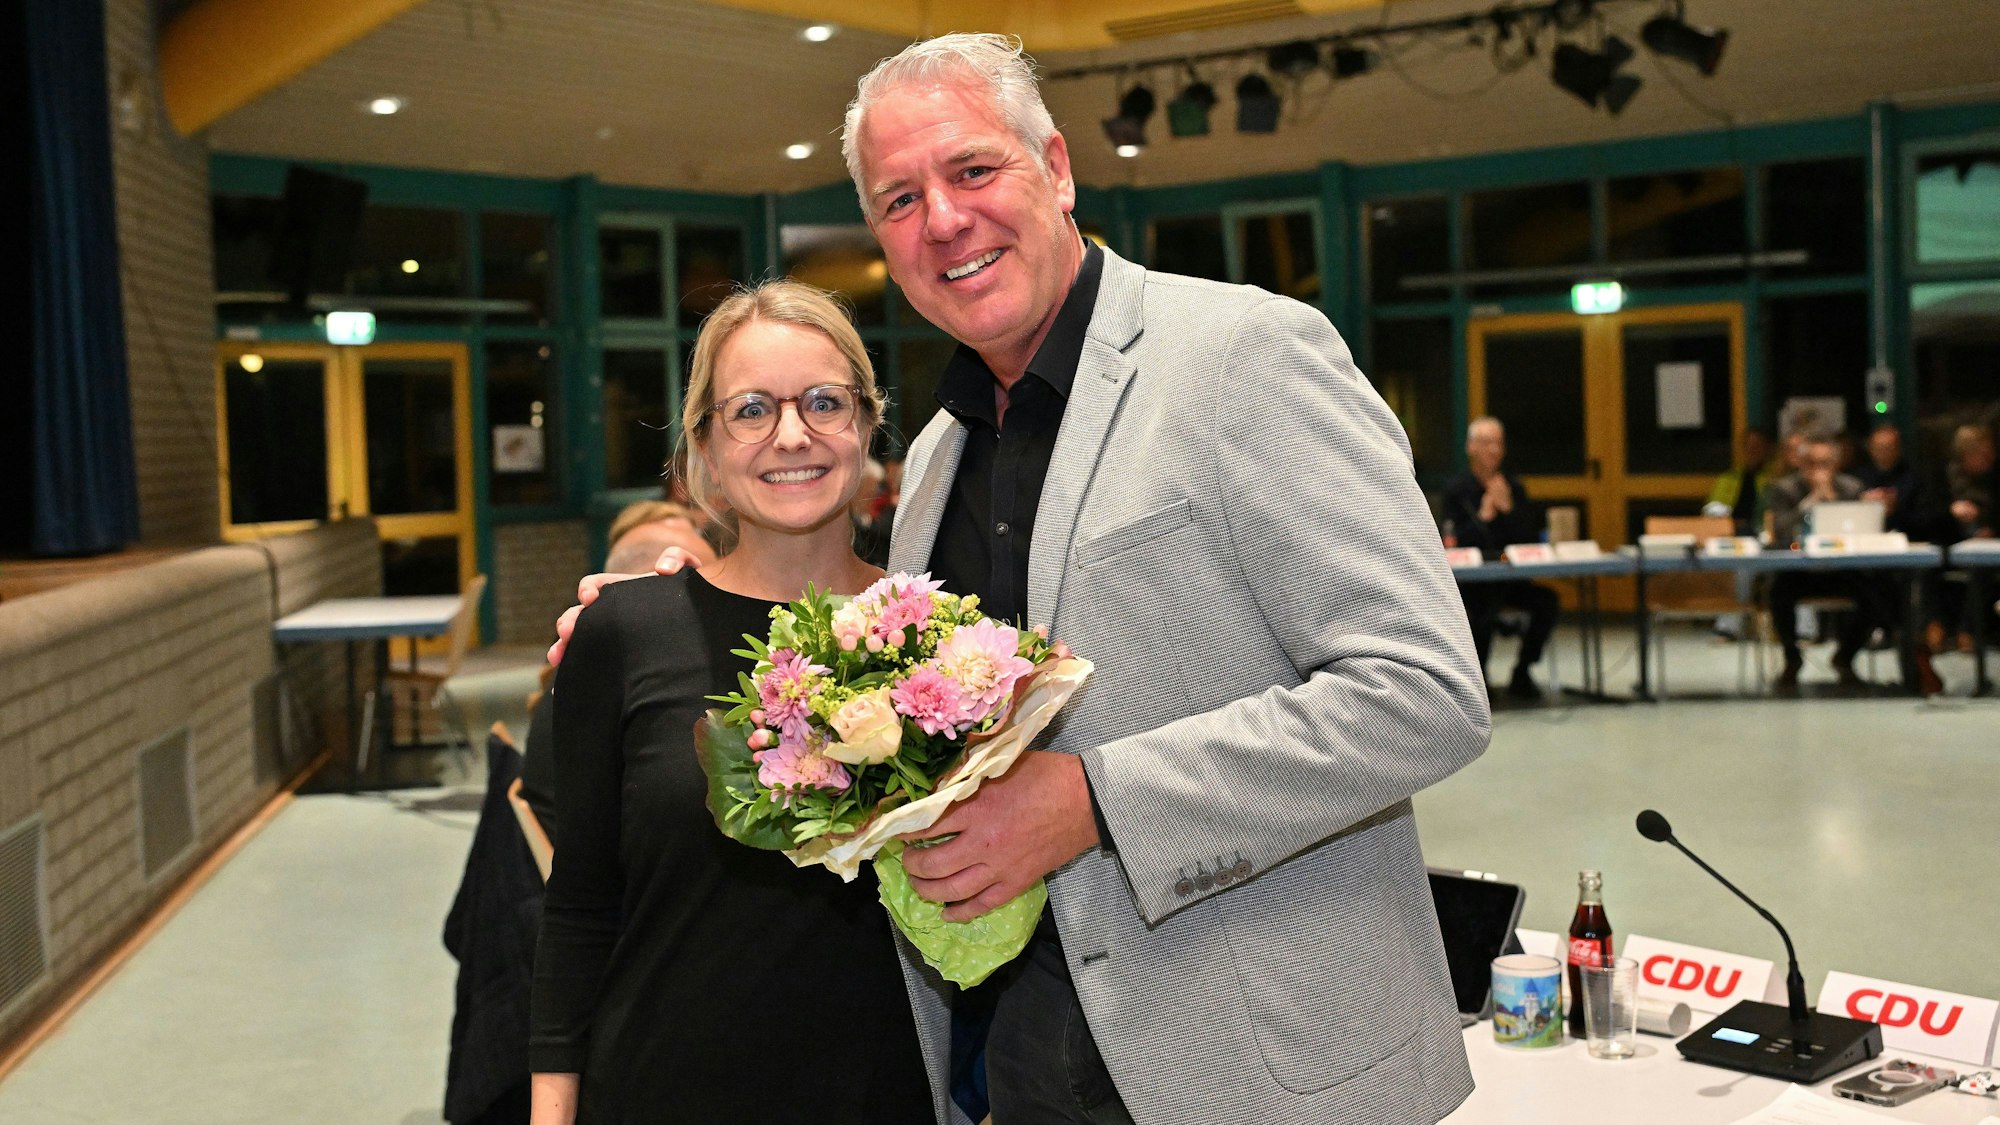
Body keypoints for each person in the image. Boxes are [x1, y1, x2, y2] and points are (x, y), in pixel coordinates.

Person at [555, 33, 1487, 1125]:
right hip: (1031, 1064)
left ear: (1055, 166)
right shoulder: (945, 454)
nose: (941, 220)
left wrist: (1094, 800)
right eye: (898, 199)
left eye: (972, 170)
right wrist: (667, 614)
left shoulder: (1244, 353)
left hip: (1264, 1072)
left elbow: (1423, 694)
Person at [527, 280, 931, 1125]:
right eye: (750, 409)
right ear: (704, 447)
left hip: (883, 1095)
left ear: (867, 423)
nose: (793, 434)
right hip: (660, 1088)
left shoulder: (933, 637)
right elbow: (580, 903)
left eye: (825, 402)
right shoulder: (624, 632)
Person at [1439, 417, 1559, 700]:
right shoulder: (1456, 491)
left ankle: (1522, 672)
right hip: (1473, 585)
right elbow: (1451, 543)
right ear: (1471, 448)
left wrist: (1507, 508)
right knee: (1483, 610)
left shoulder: (1513, 488)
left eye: (1498, 444)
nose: (1493, 450)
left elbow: (1530, 540)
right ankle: (1479, 681)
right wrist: (1484, 516)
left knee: (1547, 603)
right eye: (1486, 443)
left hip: (1511, 580)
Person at [1764, 436, 1876, 689]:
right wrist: (1810, 502)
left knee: (1877, 593)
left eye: (1826, 463)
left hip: (1841, 570)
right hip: (1800, 570)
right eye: (1812, 463)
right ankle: (1792, 659)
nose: (1819, 470)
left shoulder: (1852, 488)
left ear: (1836, 464)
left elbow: (1863, 530)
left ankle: (1845, 657)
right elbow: (1780, 531)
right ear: (1801, 464)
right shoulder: (1784, 489)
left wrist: (1833, 501)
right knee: (1778, 593)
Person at [1706, 426, 1776, 537]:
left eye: (1757, 446)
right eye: (1748, 446)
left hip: (1762, 532)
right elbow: (1713, 509)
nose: (1752, 451)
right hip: (1729, 532)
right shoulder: (1728, 478)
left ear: (1768, 448)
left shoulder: (1774, 478)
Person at [1854, 423, 1919, 533]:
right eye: (1879, 447)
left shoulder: (1913, 478)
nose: (1883, 452)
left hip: (1906, 536)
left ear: (1899, 449)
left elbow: (1924, 519)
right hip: (1865, 536)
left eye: (1889, 447)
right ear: (1870, 448)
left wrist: (1895, 508)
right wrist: (1863, 504)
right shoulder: (1857, 478)